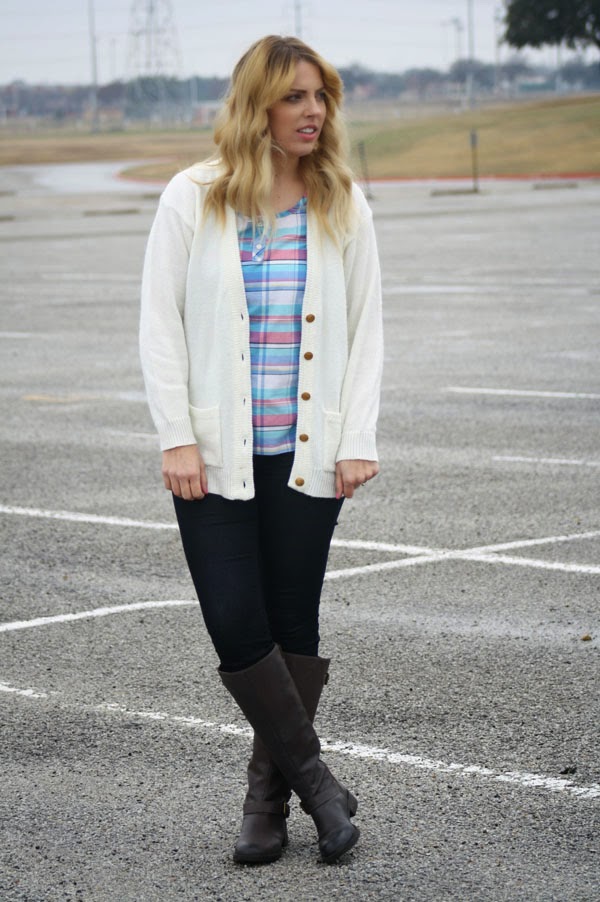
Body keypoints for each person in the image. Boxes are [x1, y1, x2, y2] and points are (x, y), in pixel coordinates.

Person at [139, 34, 383, 866]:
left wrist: (356, 438)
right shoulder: (193, 196)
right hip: (213, 457)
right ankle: (321, 788)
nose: (313, 111)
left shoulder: (341, 201)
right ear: (258, 106)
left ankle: (265, 807)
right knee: (237, 625)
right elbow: (160, 326)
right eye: (294, 97)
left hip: (309, 454)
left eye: (321, 97)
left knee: (292, 624)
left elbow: (368, 330)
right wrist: (177, 436)